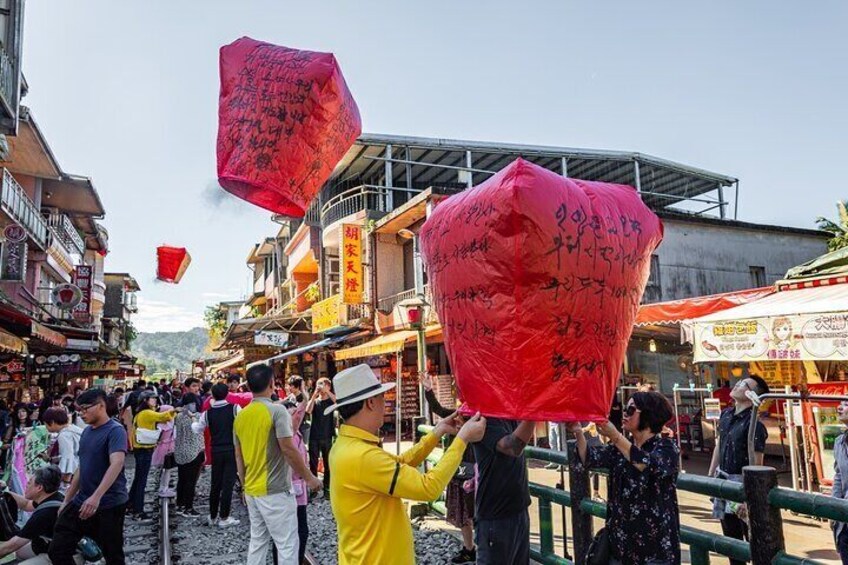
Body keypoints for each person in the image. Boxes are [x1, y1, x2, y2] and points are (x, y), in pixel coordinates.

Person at [327, 364, 485, 565]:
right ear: (370, 403)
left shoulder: (347, 446)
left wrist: (438, 431)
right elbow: (428, 488)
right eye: (382, 397)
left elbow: (398, 464)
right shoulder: (362, 455)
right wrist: (462, 439)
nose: (384, 404)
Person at [571, 391, 681, 565]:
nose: (624, 414)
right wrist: (577, 432)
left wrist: (615, 436)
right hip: (620, 546)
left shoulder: (666, 447)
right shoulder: (620, 448)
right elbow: (589, 458)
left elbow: (644, 463)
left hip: (654, 549)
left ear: (648, 415)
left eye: (630, 410)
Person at [234, 364, 322, 565]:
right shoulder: (277, 411)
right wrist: (309, 478)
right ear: (272, 384)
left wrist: (244, 485)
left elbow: (238, 456)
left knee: (258, 542)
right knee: (287, 544)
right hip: (276, 490)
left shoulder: (241, 417)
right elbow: (288, 449)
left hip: (253, 490)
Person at [49, 388, 128, 564]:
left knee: (111, 553)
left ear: (101, 406)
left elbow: (117, 463)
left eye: (85, 408)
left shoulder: (115, 430)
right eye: (79, 410)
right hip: (82, 500)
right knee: (58, 548)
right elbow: (81, 467)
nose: (82, 413)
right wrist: (67, 500)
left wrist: (96, 497)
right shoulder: (86, 432)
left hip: (109, 503)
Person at [708, 375, 770, 565]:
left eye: (744, 384)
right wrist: (711, 475)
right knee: (730, 537)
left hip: (741, 483)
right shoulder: (726, 415)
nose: (737, 384)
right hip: (723, 480)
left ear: (753, 394)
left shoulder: (755, 425)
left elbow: (757, 462)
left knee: (753, 538)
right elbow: (720, 444)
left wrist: (749, 495)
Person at [420, 373, 477, 564]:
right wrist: (428, 389)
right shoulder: (459, 411)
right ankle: (469, 548)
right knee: (463, 514)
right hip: (458, 470)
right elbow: (438, 409)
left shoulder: (480, 416)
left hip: (474, 472)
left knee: (474, 512)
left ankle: (481, 549)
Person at [472, 415, 535, 565]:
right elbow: (512, 447)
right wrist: (534, 413)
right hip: (495, 517)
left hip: (519, 510)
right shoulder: (484, 419)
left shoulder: (510, 415)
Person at [0, 465, 81, 564]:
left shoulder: (44, 515)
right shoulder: (55, 497)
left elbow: (11, 546)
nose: (26, 485)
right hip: (53, 545)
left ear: (39, 488)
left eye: (29, 482)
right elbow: (26, 504)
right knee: (21, 552)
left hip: (65, 556)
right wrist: (4, 491)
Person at [192, 383, 240, 527]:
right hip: (231, 449)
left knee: (216, 483)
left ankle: (212, 516)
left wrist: (193, 420)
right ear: (227, 394)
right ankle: (224, 517)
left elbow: (197, 429)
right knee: (228, 484)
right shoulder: (235, 408)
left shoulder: (208, 413)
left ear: (212, 395)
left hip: (215, 450)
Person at [128, 391, 175, 519]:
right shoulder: (147, 413)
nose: (155, 401)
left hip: (140, 449)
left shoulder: (139, 413)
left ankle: (130, 505)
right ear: (145, 401)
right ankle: (138, 510)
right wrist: (176, 410)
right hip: (144, 450)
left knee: (138, 479)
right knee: (141, 481)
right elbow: (164, 417)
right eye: (152, 399)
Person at [283, 386, 310, 563]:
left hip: (299, 491)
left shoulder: (295, 433)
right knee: (295, 532)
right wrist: (310, 478)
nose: (297, 415)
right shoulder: (287, 438)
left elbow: (302, 409)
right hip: (291, 491)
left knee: (300, 531)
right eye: (293, 415)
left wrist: (305, 396)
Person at [174, 394, 205, 518]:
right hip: (194, 452)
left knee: (182, 479)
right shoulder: (197, 416)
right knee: (191, 481)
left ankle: (179, 504)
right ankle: (188, 507)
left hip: (180, 452)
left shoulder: (179, 417)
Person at [306, 377, 336, 497]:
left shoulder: (330, 401)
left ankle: (327, 489)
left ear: (329, 386)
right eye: (319, 385)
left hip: (327, 436)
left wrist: (327, 392)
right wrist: (314, 395)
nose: (320, 387)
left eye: (323, 385)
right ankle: (314, 489)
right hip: (314, 436)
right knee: (313, 464)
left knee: (328, 464)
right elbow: (308, 411)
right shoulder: (316, 401)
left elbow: (338, 403)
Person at [42, 408, 83, 489]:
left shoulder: (64, 435)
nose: (45, 427)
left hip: (75, 476)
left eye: (46, 424)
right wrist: (51, 459)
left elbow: (68, 458)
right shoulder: (73, 428)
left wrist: (65, 483)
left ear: (52, 422)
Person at [832, 401, 848, 564]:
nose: (839, 407)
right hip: (844, 520)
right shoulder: (839, 441)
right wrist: (832, 509)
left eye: (846, 404)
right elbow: (838, 477)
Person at [286, 376, 311, 445]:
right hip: (290, 426)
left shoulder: (303, 397)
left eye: (291, 385)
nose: (289, 387)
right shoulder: (291, 396)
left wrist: (302, 389)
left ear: (297, 387)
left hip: (299, 426)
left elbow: (306, 399)